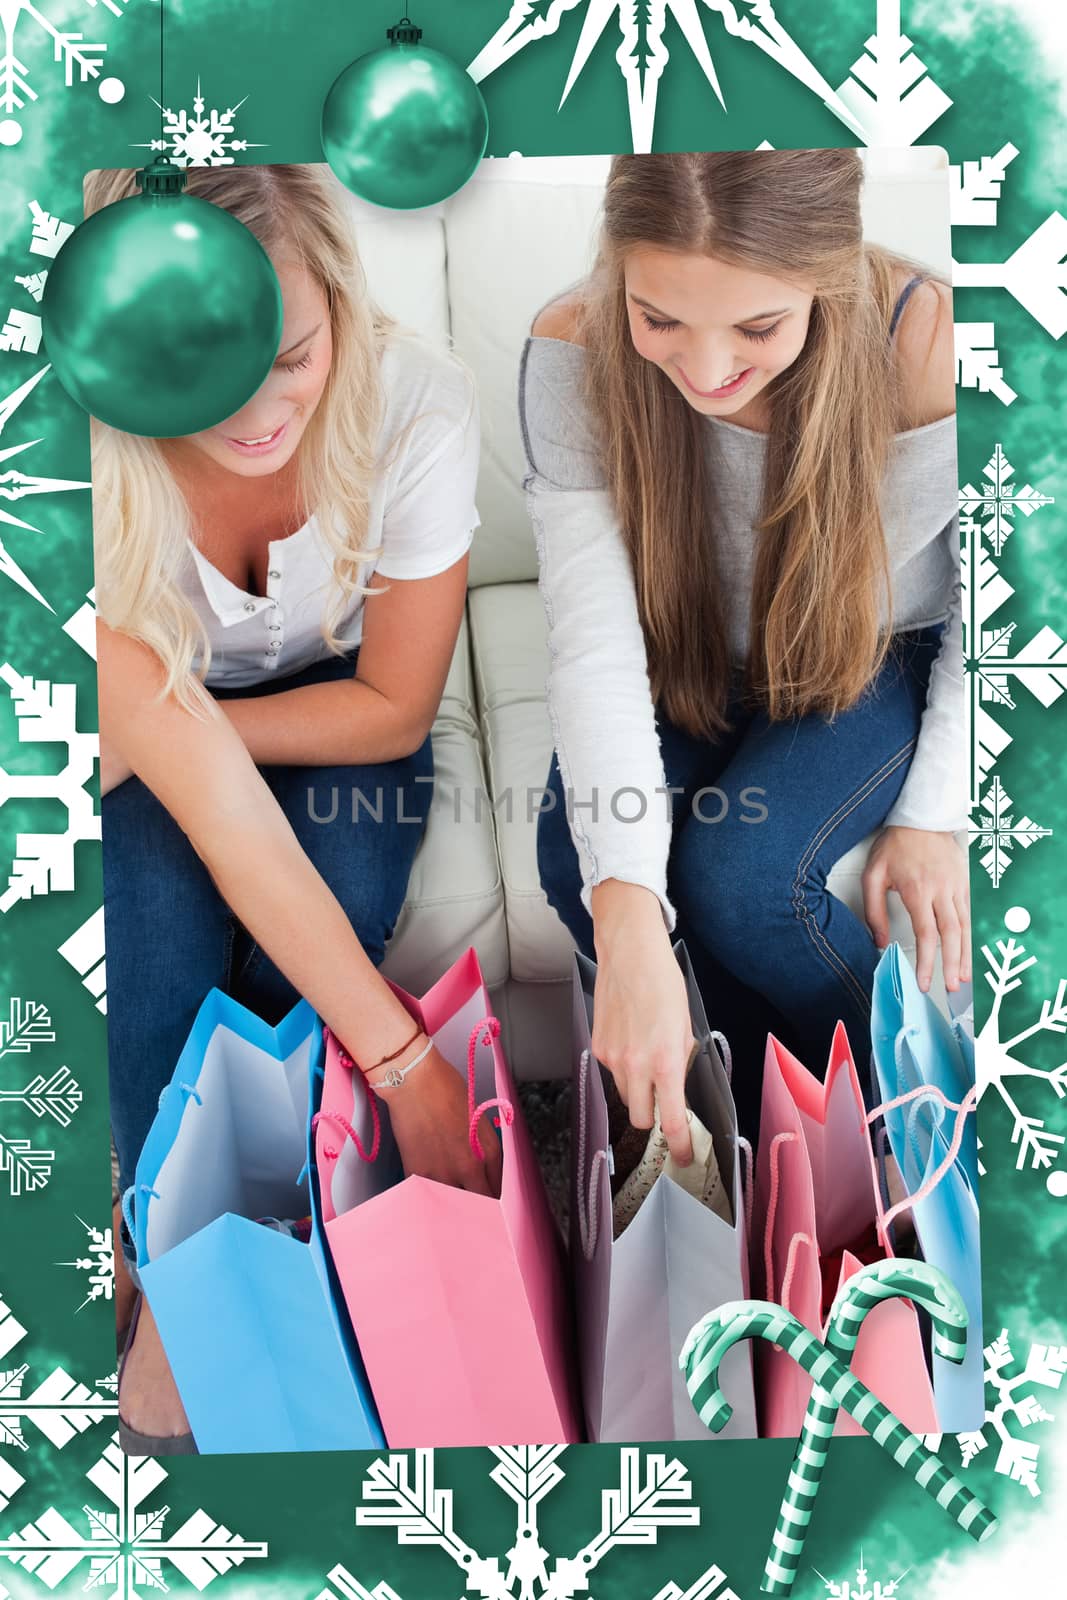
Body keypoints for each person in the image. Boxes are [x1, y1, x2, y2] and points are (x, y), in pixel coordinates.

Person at [90, 162, 499, 1454]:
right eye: (203, 366)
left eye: (292, 354)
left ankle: (251, 1245)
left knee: (307, 945)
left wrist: (181, 736)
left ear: (336, 298)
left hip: (324, 710)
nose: (255, 409)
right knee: (150, 984)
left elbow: (385, 705)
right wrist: (158, 743)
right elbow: (131, 759)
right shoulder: (76, 451)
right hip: (136, 715)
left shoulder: (414, 404)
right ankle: (175, 1263)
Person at [521, 149, 970, 1158]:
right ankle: (750, 1126)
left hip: (865, 648)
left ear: (826, 278)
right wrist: (625, 917)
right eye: (659, 318)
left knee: (747, 876)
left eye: (756, 326)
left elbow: (1010, 594)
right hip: (686, 647)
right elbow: (592, 642)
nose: (705, 367)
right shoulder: (569, 344)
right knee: (574, 858)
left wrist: (936, 811)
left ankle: (917, 1118)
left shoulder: (928, 341)